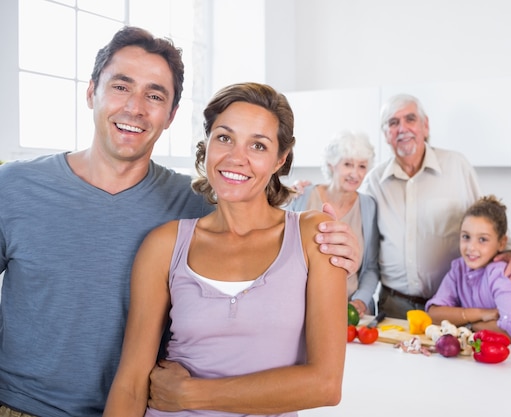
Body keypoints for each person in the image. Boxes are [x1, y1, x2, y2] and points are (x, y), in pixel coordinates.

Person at [0, 27, 359, 417]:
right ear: (91, 92)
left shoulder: (192, 203)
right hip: (23, 408)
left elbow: (255, 225)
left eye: (154, 95)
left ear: (171, 115)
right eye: (121, 87)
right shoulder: (15, 186)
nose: (135, 107)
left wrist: (343, 254)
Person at [103, 82, 346, 416]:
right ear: (207, 145)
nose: (236, 157)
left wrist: (190, 394)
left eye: (258, 146)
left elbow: (325, 385)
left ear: (280, 160)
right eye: (224, 137)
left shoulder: (312, 237)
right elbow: (131, 383)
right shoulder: (166, 244)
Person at [362, 93, 511, 319]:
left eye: (410, 119)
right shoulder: (373, 182)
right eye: (393, 122)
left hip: (453, 306)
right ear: (385, 135)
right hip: (394, 306)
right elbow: (354, 225)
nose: (402, 128)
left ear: (425, 126)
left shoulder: (456, 166)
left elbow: (488, 217)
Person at [287, 130, 379, 316]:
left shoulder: (369, 206)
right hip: (303, 307)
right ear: (331, 164)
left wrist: (361, 300)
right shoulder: (302, 196)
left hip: (351, 311)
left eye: (362, 166)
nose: (355, 173)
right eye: (347, 164)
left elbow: (371, 266)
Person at [426, 195, 511, 344]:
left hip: (500, 360)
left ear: (502, 243)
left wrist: (466, 326)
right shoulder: (459, 269)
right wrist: (481, 314)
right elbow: (433, 314)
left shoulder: (502, 273)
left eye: (483, 239)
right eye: (466, 236)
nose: (471, 247)